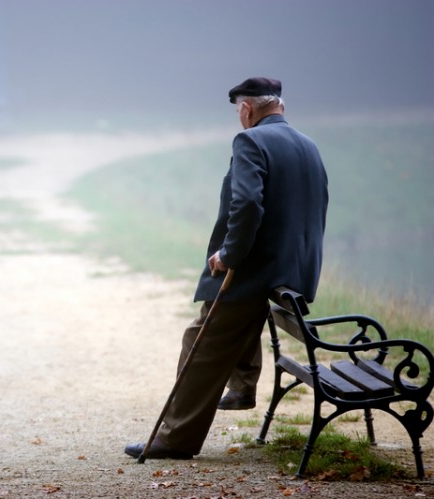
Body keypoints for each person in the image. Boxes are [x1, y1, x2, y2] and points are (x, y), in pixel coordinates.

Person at [125, 77, 329, 460]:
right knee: (234, 319)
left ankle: (175, 439)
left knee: (199, 341)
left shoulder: (250, 141)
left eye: (240, 110)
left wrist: (230, 254)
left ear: (247, 109)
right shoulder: (308, 144)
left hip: (256, 270)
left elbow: (248, 204)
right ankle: (242, 386)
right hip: (294, 272)